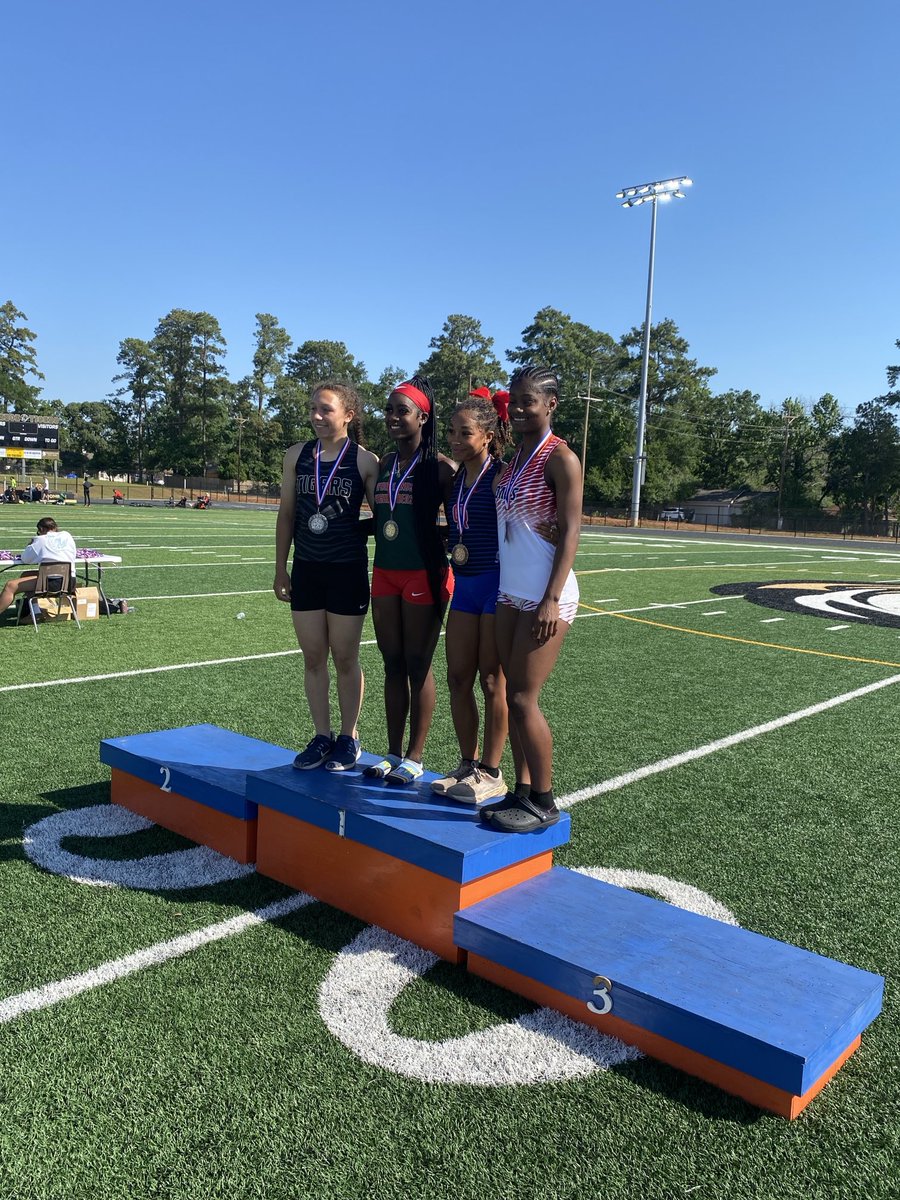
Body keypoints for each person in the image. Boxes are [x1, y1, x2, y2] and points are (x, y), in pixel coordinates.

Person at [479, 366, 582, 833]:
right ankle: (520, 792)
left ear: (551, 404)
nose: (519, 409)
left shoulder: (560, 458)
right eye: (514, 401)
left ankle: (544, 799)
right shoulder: (516, 457)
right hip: (510, 591)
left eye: (529, 402)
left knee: (523, 699)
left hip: (546, 595)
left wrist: (551, 598)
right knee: (507, 690)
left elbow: (572, 530)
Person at [274, 381, 379, 771]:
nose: (317, 416)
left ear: (348, 415)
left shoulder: (365, 461)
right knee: (313, 657)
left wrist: (354, 529)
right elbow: (286, 514)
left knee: (346, 658)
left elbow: (383, 518)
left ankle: (349, 738)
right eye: (313, 409)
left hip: (347, 571)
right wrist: (280, 567)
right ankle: (322, 735)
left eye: (326, 410)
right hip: (307, 570)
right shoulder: (296, 456)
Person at [366, 375, 456, 785]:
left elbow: (461, 520)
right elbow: (384, 520)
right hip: (384, 571)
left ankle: (416, 756)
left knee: (419, 664)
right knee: (392, 663)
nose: (393, 417)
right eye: (389, 409)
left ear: (423, 416)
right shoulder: (385, 464)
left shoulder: (439, 468)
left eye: (402, 411)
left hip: (423, 573)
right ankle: (392, 752)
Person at [431, 390, 513, 806]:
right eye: (451, 431)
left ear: (487, 435)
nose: (456, 439)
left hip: (496, 585)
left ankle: (493, 772)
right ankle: (468, 763)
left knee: (491, 679)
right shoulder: (453, 477)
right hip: (464, 585)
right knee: (457, 678)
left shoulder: (501, 474)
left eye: (466, 432)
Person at [0, 517, 77, 616]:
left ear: (41, 529)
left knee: (10, 586)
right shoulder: (67, 536)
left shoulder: (40, 540)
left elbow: (25, 559)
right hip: (69, 582)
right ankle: (36, 612)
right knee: (25, 575)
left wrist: (31, 545)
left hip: (51, 583)